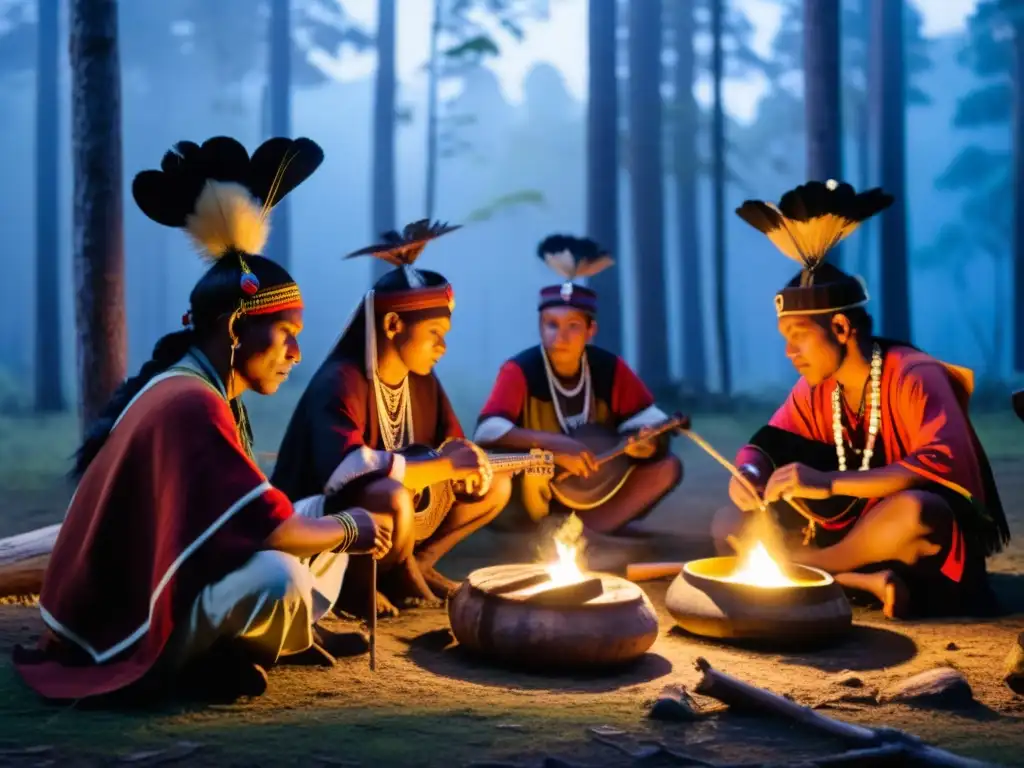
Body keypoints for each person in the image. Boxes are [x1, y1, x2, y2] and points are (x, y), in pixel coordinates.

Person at [14, 136, 394, 705]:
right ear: (238, 330)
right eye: (287, 335)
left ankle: (244, 645)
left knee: (320, 511)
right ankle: (186, 665)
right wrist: (354, 529)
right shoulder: (191, 403)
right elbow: (275, 532)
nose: (295, 354)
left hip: (164, 585)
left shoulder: (196, 389)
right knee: (281, 577)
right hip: (122, 626)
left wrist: (338, 521)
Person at [713, 179, 1011, 619]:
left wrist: (829, 483)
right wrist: (749, 474)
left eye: (798, 337)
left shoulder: (913, 374)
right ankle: (856, 579)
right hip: (851, 539)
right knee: (728, 522)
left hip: (904, 539)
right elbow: (769, 442)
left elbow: (940, 466)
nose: (789, 352)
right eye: (784, 338)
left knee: (918, 513)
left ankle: (803, 570)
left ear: (839, 329)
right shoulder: (816, 388)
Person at [272, 220, 512, 618]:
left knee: (496, 485)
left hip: (397, 520)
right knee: (391, 496)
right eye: (434, 331)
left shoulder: (423, 380)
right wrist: (443, 465)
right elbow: (344, 471)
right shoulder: (341, 380)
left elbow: (449, 449)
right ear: (393, 325)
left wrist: (467, 465)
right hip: (326, 521)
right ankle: (355, 587)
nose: (443, 345)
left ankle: (416, 565)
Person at [473, 234, 683, 535]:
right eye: (552, 325)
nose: (561, 337)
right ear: (540, 327)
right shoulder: (519, 369)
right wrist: (557, 446)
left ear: (590, 330)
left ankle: (592, 533)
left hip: (599, 485)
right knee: (511, 473)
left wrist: (645, 442)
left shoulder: (609, 369)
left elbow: (650, 422)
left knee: (666, 467)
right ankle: (538, 530)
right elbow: (487, 432)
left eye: (573, 326)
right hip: (539, 484)